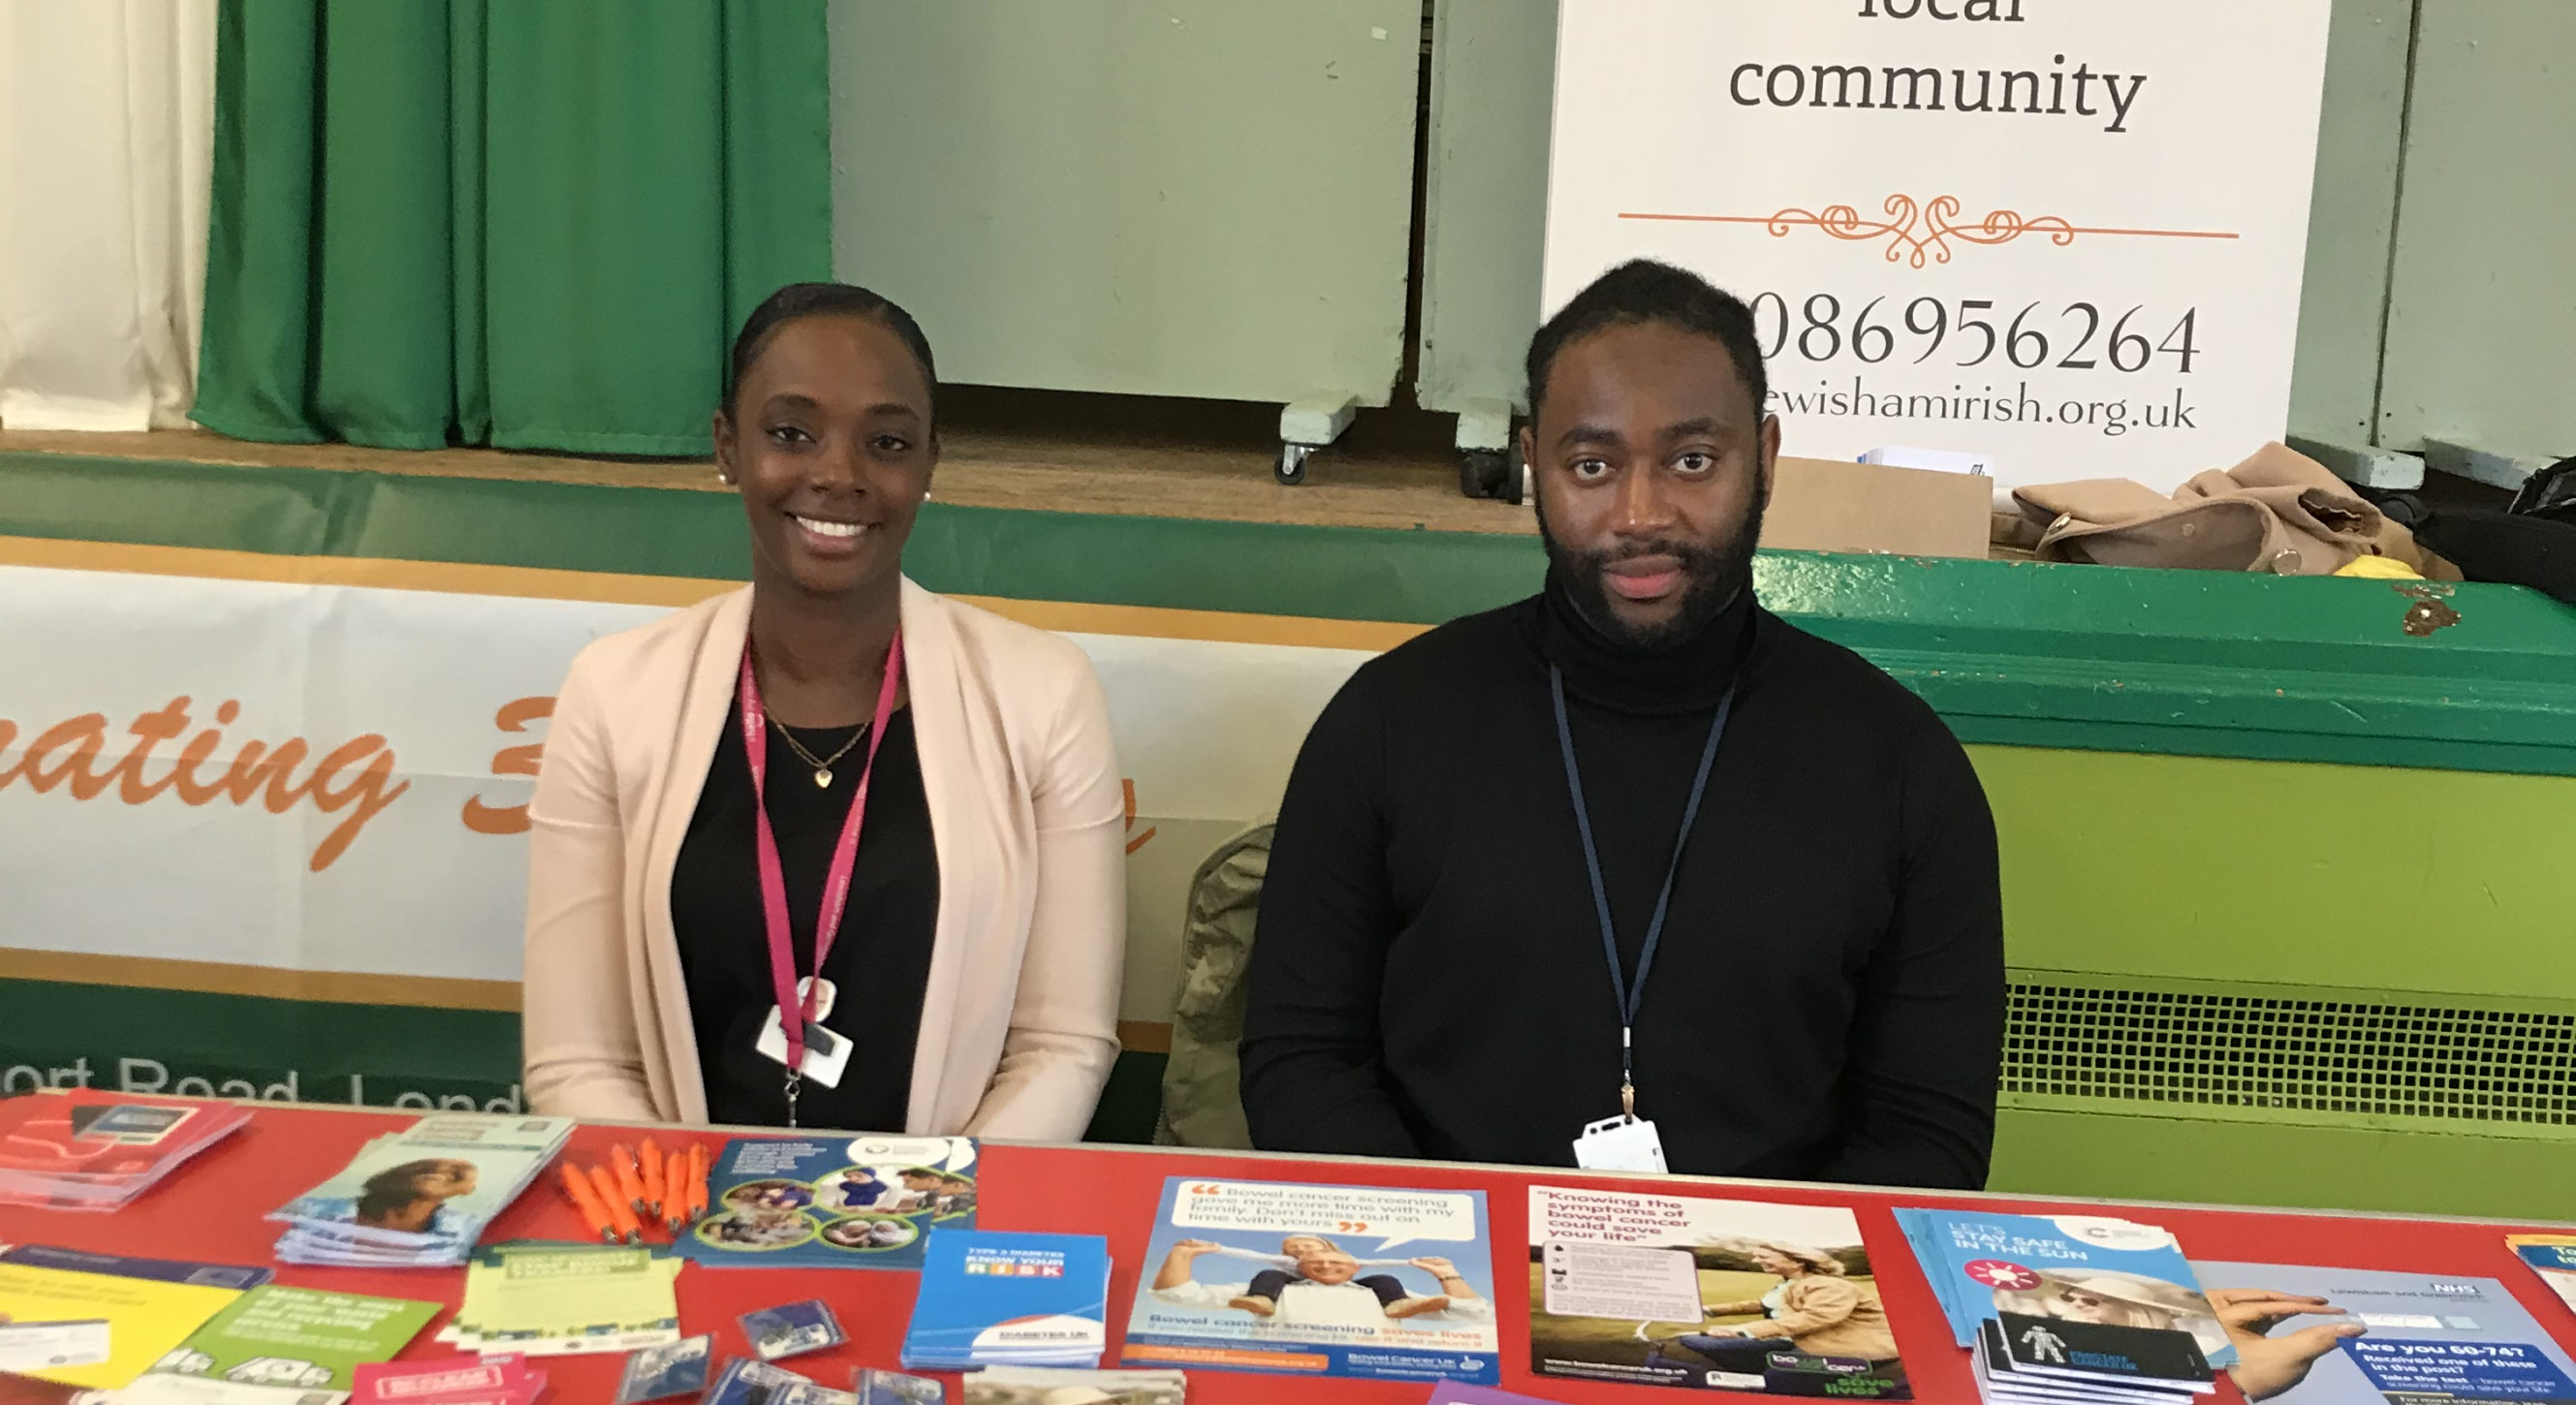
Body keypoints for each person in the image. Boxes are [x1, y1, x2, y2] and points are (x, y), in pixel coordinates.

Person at [1240, 259, 2003, 1186]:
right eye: (1592, 465)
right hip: (1453, 1276)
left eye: (1691, 461)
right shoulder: (1389, 722)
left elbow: (1929, 1132)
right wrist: (1451, 1250)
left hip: (1770, 1293)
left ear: (1765, 459)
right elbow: (1300, 1062)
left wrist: (1773, 1281)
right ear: (1534, 464)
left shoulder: (1900, 763)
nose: (1640, 515)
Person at [520, 282, 1127, 1140]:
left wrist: (925, 1210)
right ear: (727, 445)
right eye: (791, 433)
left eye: (886, 442)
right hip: (681, 1218)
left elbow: (1059, 1046)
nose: (837, 474)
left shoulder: (1042, 692)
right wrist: (694, 1221)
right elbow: (579, 1063)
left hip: (943, 1215)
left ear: (926, 466)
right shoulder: (615, 691)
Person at [1644, 1242, 1899, 1377]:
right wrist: (1706, 1309)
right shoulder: (1790, 1284)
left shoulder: (1830, 1286)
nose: (1756, 1261)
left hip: (1849, 1349)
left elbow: (1815, 1318)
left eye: (1763, 1256)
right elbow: (1760, 1304)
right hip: (1796, 1339)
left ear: (1797, 1260)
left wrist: (1742, 1331)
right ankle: (1751, 1370)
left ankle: (1765, 1375)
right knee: (1695, 1340)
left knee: (1779, 1381)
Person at [1148, 1240, 1489, 1328]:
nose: (1323, 1263)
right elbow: (1178, 1296)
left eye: (1330, 1257)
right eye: (1302, 1256)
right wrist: (1181, 1255)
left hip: (1378, 1376)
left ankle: (1399, 1309)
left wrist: (1447, 1275)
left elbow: (1471, 1313)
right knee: (1265, 1285)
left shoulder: (1378, 1287)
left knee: (1387, 1284)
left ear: (1352, 1265)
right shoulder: (1272, 1283)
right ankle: (1262, 1305)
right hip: (1286, 1374)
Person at [1212, 1234, 1447, 1320]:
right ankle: (1263, 1300)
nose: (1301, 1250)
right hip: (1295, 1285)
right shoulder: (1288, 1265)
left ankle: (1398, 1304)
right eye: (1294, 1249)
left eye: (1307, 1245)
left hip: (1344, 1285)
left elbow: (1375, 1263)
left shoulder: (1344, 1258)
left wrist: (1412, 1262)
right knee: (1268, 1275)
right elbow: (1254, 1256)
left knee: (1384, 1280)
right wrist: (1220, 1249)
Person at [351, 1159, 478, 1234]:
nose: (439, 1176)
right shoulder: (339, 1213)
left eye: (456, 1176)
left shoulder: (462, 1226)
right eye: (427, 1168)